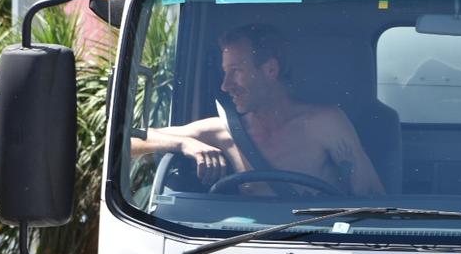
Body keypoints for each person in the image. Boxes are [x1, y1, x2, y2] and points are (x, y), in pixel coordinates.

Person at [133, 23, 385, 196]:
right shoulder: (225, 132)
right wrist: (184, 145)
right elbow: (129, 141)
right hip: (252, 249)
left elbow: (373, 199)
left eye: (236, 72)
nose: (225, 85)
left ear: (270, 70)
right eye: (224, 72)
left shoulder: (326, 123)